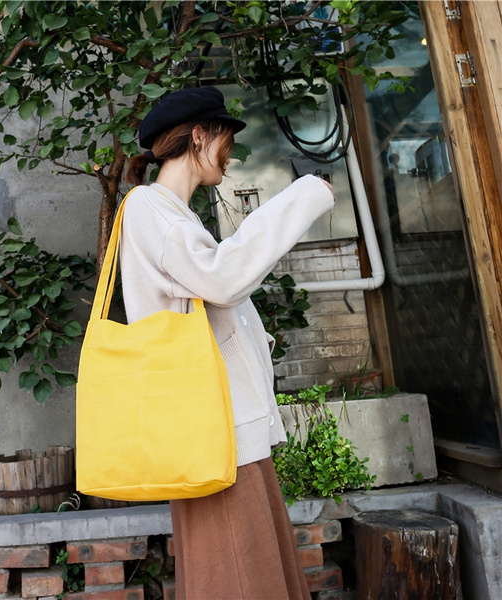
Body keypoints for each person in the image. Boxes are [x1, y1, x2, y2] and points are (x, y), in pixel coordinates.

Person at [122, 86, 334, 600]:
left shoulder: (171, 213)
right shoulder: (151, 208)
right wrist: (303, 195)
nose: (230, 154)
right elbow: (223, 278)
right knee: (242, 578)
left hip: (221, 436)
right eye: (226, 139)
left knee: (246, 574)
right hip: (216, 440)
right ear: (199, 137)